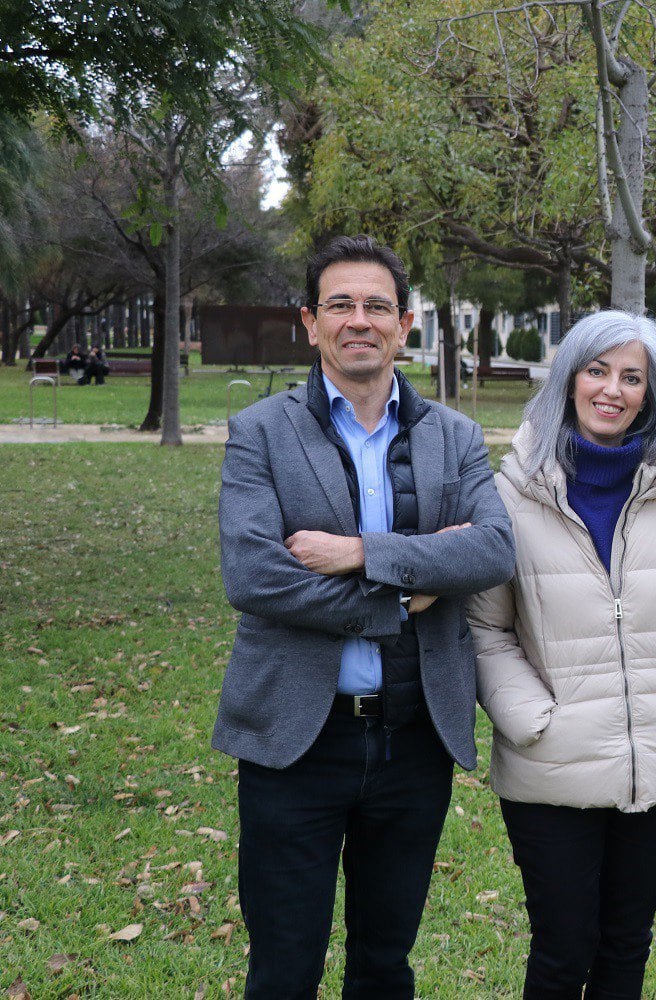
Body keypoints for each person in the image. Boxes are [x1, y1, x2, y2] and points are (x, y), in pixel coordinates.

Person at [214, 234, 515, 998]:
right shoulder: (261, 432)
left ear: (404, 323)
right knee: (284, 968)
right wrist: (407, 592)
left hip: (413, 739)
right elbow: (257, 578)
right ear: (309, 322)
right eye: (340, 304)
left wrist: (358, 554)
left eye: (377, 306)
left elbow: (492, 551)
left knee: (385, 965)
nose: (360, 320)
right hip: (296, 744)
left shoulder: (454, 436)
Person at [467, 311, 656, 1000]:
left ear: (652, 393)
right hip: (551, 762)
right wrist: (533, 719)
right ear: (569, 379)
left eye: (632, 377)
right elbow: (485, 629)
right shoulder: (510, 494)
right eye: (597, 370)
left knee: (625, 943)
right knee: (562, 950)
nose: (612, 390)